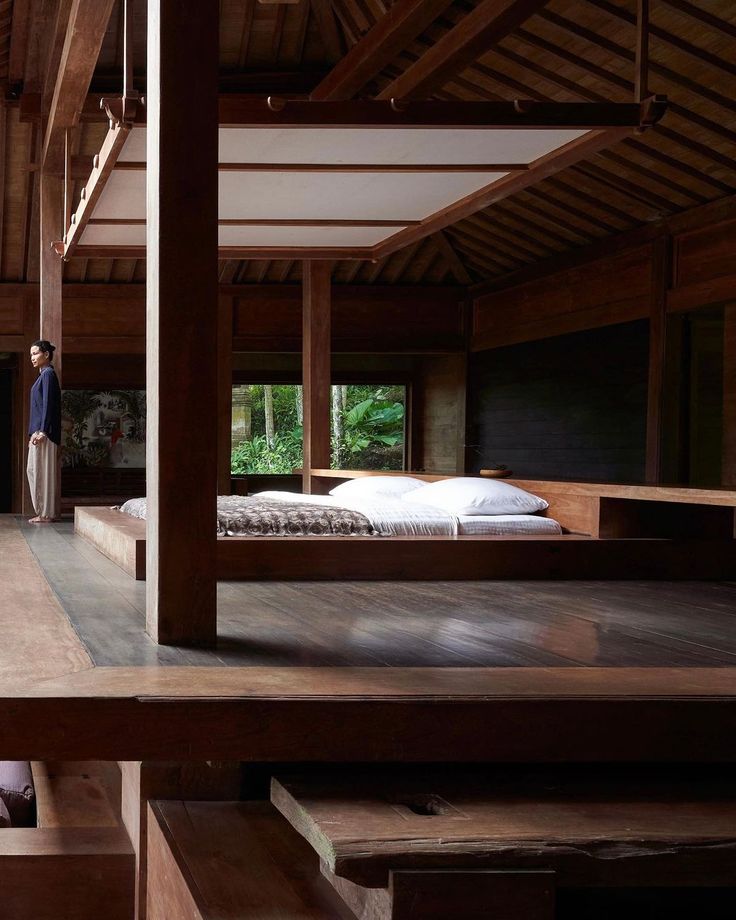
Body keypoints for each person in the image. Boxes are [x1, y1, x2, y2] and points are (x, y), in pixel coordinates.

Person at [27, 340, 61, 523]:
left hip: (43, 434)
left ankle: (46, 513)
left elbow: (49, 405)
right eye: (31, 355)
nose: (32, 358)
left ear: (46, 354)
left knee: (43, 472)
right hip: (38, 432)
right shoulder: (43, 376)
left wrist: (43, 432)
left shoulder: (48, 374)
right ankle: (43, 512)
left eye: (35, 354)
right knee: (33, 470)